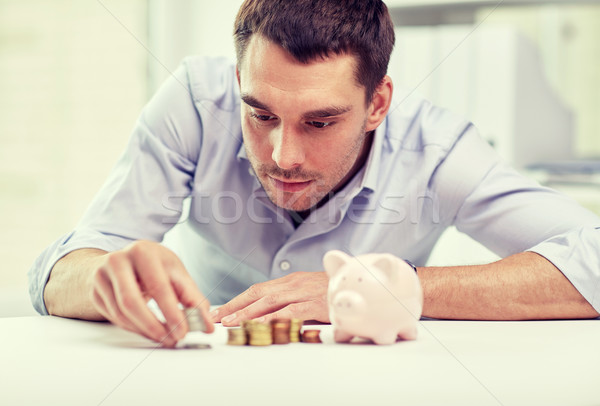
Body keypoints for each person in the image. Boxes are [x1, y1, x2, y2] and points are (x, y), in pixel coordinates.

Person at [30, 0, 600, 347]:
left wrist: (397, 289)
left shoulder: (439, 150)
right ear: (237, 81)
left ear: (378, 103)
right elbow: (62, 268)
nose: (282, 156)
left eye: (321, 121)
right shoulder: (192, 104)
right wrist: (99, 279)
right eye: (260, 114)